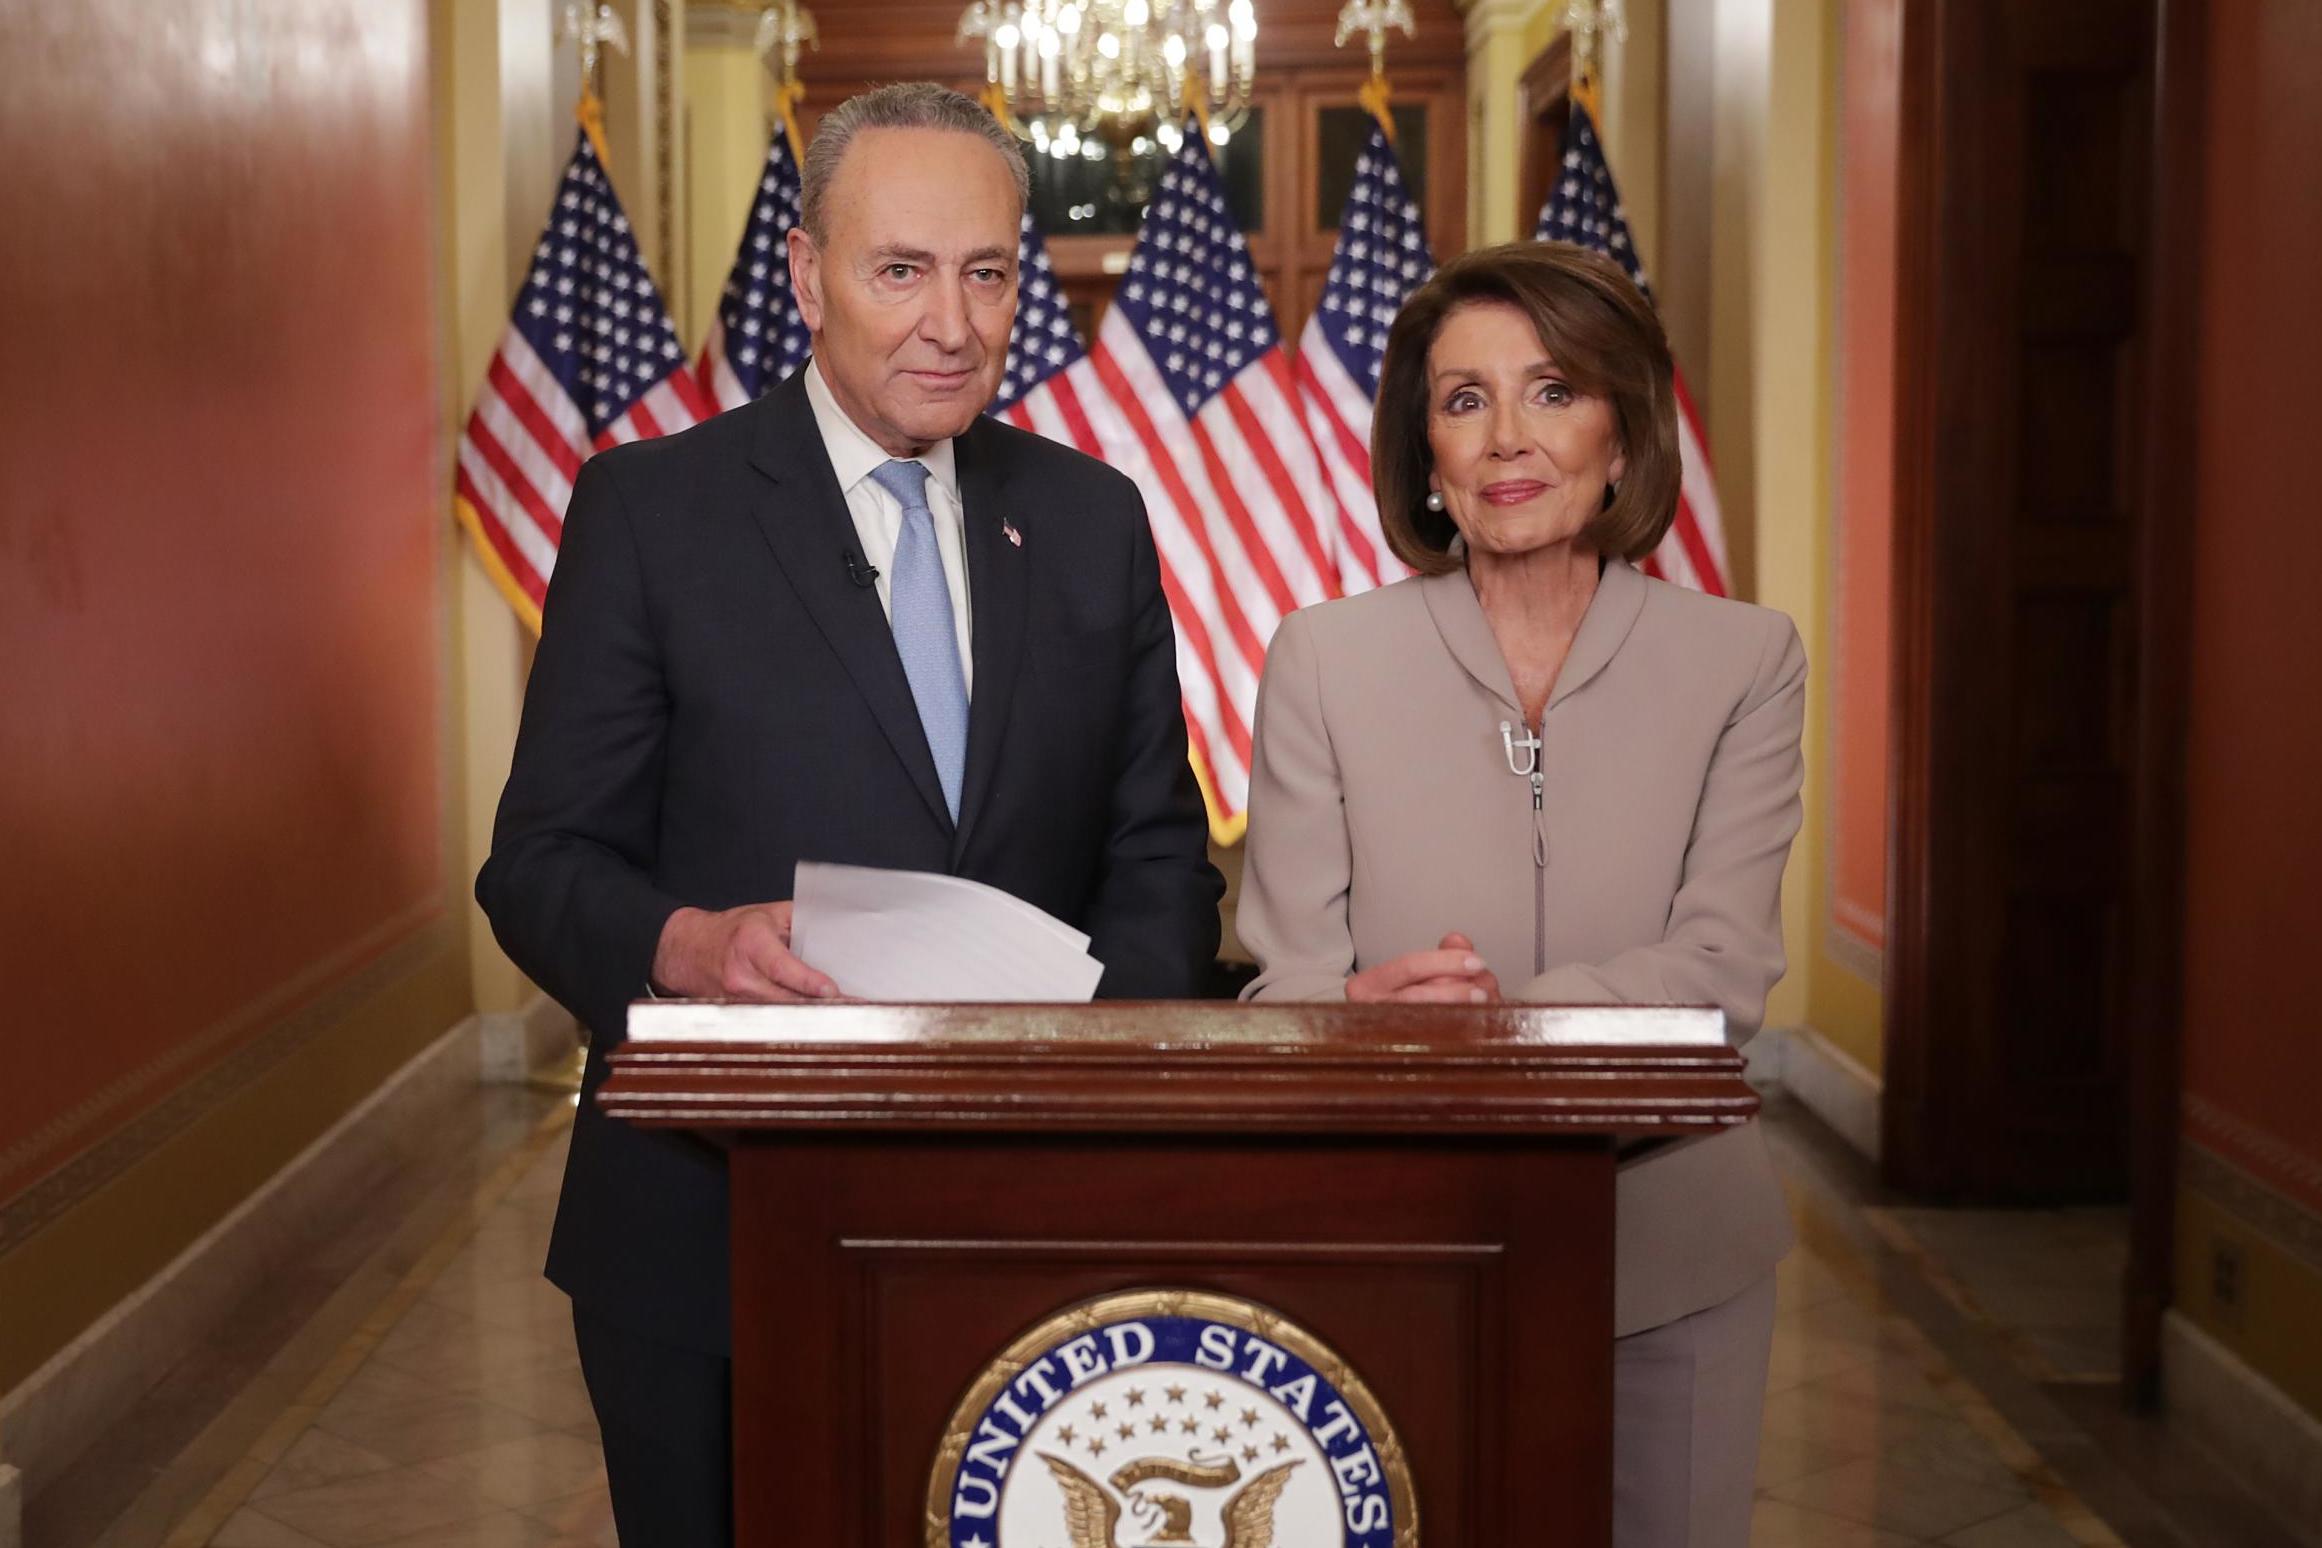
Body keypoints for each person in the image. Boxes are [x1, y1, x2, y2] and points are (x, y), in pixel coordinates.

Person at [476, 82, 1222, 1545]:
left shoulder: (1092, 519)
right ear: (808, 273)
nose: (951, 321)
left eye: (988, 271)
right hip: (711, 1233)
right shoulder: (651, 512)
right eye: (900, 270)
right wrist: (681, 946)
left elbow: (1154, 855)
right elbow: (539, 865)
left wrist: (1102, 1091)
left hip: (1032, 1220)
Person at [1236, 240, 1802, 1547]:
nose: (1507, 437)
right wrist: (1349, 1013)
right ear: (1423, 457)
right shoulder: (1324, 661)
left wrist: (1467, 1031)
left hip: (1675, 1255)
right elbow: (1290, 987)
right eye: (1461, 399)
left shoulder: (1744, 661)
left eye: (1551, 391)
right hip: (1399, 1252)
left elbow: (1718, 979)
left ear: (1622, 431)